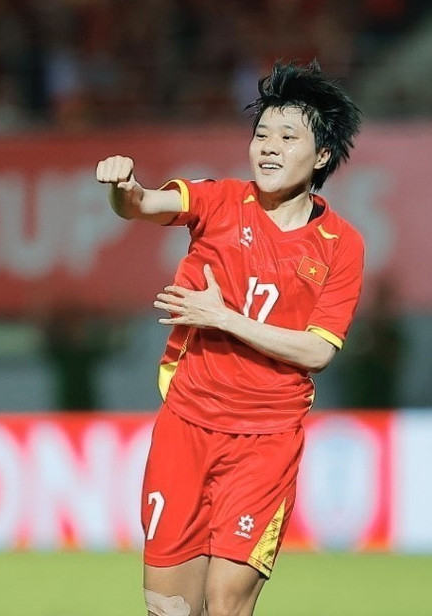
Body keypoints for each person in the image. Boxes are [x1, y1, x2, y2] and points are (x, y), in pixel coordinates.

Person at [96, 60, 363, 616]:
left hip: (266, 442)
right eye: (261, 134)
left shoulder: (341, 244)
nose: (268, 147)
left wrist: (224, 318)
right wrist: (123, 187)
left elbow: (318, 350)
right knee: (168, 609)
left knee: (226, 607)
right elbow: (143, 205)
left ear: (321, 157)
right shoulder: (218, 201)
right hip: (186, 428)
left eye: (288, 137)